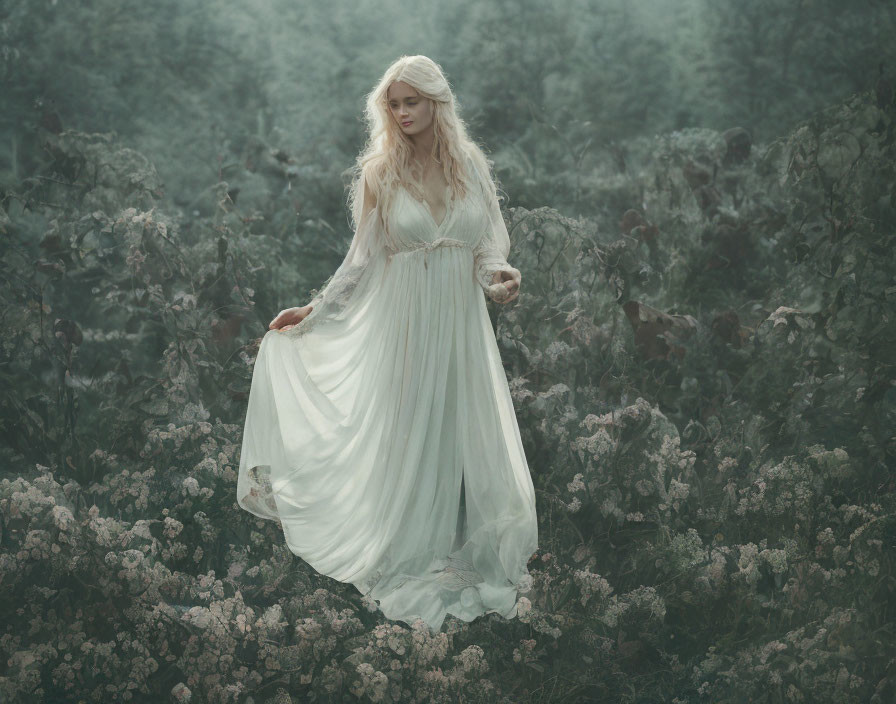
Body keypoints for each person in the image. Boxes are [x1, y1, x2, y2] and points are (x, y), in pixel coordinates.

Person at [237, 55, 538, 633]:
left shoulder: (469, 165)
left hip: (461, 328)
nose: (402, 113)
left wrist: (501, 278)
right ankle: (408, 552)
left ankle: (463, 555)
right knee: (406, 436)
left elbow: (488, 245)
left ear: (436, 103)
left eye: (412, 102)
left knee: (461, 431)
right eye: (394, 103)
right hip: (405, 329)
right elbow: (362, 260)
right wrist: (313, 310)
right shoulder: (379, 174)